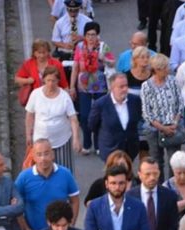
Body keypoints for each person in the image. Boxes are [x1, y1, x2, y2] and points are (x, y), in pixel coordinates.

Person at [69, 21, 114, 155]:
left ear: (97, 35)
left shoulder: (103, 47)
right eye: (88, 35)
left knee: (99, 115)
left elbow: (112, 63)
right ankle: (87, 143)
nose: (90, 38)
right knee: (84, 115)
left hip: (100, 87)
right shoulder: (80, 47)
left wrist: (103, 59)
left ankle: (98, 144)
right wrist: (72, 87)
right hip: (83, 87)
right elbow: (75, 67)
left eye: (93, 35)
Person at [25, 66, 81, 174]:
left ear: (58, 81)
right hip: (40, 142)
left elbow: (73, 118)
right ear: (43, 80)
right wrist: (28, 135)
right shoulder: (36, 94)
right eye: (48, 80)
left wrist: (76, 139)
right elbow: (29, 115)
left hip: (62, 141)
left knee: (64, 170)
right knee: (41, 170)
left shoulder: (64, 96)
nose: (50, 84)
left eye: (53, 81)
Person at [141, 53, 184, 181]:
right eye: (165, 67)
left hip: (172, 127)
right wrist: (162, 128)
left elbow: (180, 103)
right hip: (154, 129)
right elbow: (146, 112)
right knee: (156, 161)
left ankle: (172, 186)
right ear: (157, 69)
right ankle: (158, 187)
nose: (168, 69)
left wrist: (175, 123)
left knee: (174, 161)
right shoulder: (146, 86)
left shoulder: (173, 81)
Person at [89, 73, 143, 161]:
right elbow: (92, 125)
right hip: (110, 150)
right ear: (112, 88)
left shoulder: (135, 101)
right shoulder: (100, 104)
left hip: (130, 150)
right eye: (121, 87)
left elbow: (137, 117)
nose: (125, 89)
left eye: (126, 86)